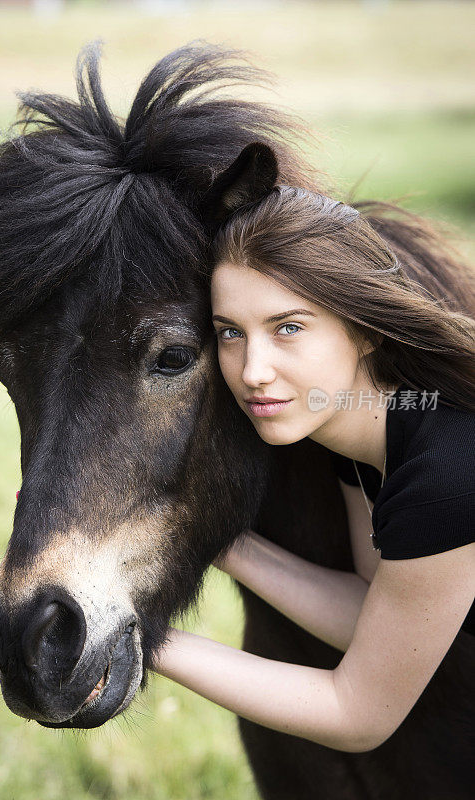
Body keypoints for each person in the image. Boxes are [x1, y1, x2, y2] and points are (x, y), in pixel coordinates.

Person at [150, 185, 475, 753]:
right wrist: (215, 539)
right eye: (231, 332)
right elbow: (371, 613)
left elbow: (357, 714)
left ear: (364, 330)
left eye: (289, 328)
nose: (253, 370)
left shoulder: (444, 474)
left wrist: (144, 640)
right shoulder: (373, 429)